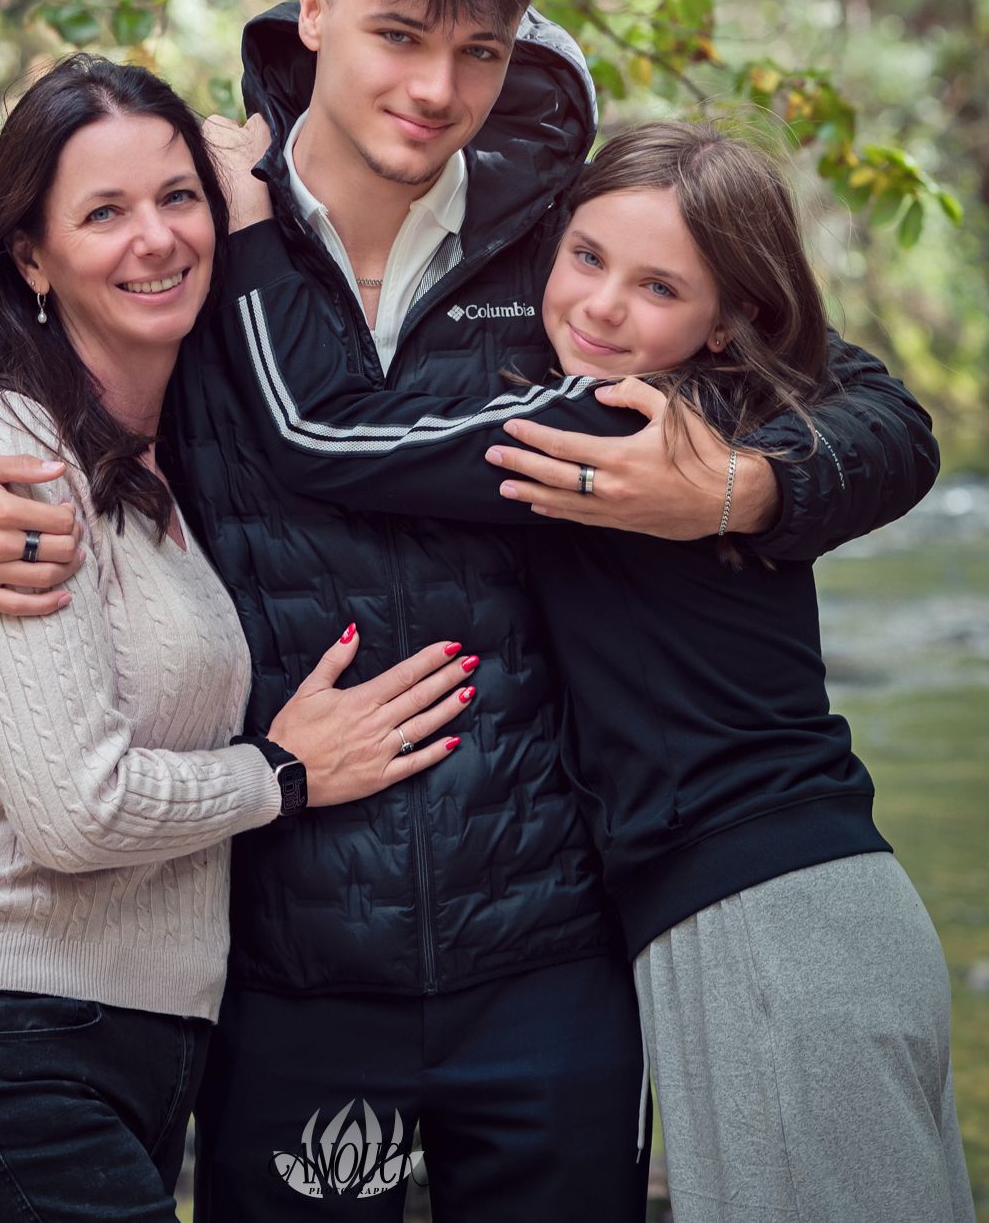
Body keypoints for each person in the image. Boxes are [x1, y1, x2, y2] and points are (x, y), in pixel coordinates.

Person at [0, 0, 939, 1221]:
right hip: (292, 961)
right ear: (313, 11)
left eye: (475, 52)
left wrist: (740, 491)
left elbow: (875, 414)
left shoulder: (565, 246)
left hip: (549, 948)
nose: (432, 90)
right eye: (396, 35)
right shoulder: (187, 237)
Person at [211, 116, 974, 1223]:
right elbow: (881, 409)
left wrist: (247, 227)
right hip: (785, 900)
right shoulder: (724, 404)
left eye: (659, 288)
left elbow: (317, 434)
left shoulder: (606, 426)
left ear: (728, 323)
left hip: (765, 915)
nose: (604, 307)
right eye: (584, 257)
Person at [0, 54, 471, 1223]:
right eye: (102, 212)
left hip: (127, 1045)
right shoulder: (4, 448)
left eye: (178, 196)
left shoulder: (161, 455)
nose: (155, 238)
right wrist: (283, 772)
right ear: (30, 256)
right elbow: (76, 811)